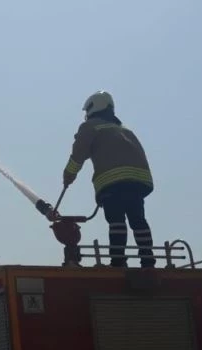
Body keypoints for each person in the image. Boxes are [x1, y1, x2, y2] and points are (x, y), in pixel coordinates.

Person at [62, 91, 155, 268]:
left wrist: (68, 175)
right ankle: (148, 259)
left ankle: (118, 261)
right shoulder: (124, 129)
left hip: (113, 183)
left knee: (116, 220)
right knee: (138, 220)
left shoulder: (90, 127)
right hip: (138, 182)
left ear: (92, 108)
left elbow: (78, 154)